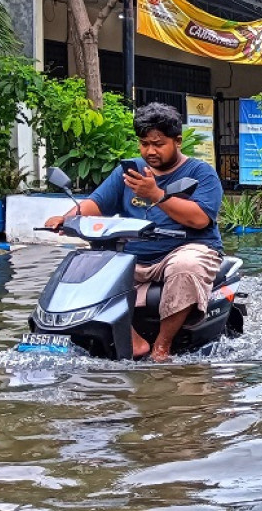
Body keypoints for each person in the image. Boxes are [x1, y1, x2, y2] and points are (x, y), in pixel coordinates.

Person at [45, 103, 224, 361]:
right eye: (144, 143)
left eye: (158, 144)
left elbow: (199, 219)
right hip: (132, 253)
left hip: (184, 248)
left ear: (178, 141)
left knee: (187, 265)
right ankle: (134, 341)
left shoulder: (201, 173)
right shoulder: (130, 172)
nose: (150, 150)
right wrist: (67, 218)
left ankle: (162, 346)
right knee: (84, 266)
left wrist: (156, 195)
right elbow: (96, 203)